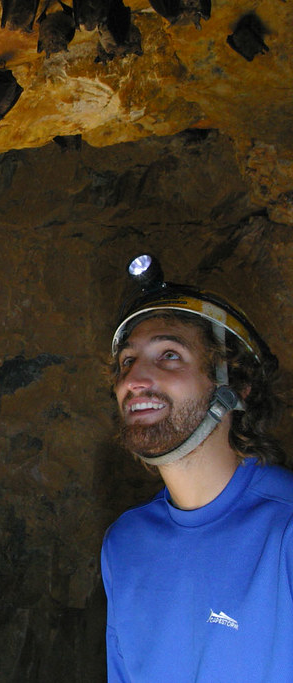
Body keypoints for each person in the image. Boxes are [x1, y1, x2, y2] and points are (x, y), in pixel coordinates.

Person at [101, 254, 293, 681]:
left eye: (169, 355)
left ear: (234, 384)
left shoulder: (285, 530)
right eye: (127, 362)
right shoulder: (124, 545)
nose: (134, 378)